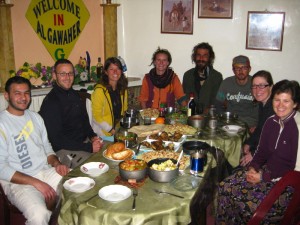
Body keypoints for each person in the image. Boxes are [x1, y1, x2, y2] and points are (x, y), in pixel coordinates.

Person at [217, 80, 300, 225]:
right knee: (224, 186)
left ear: (295, 104)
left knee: (244, 203)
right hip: (266, 173)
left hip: (287, 186)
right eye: (277, 100)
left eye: (286, 101)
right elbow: (261, 152)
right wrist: (253, 167)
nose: (280, 105)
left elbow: (295, 173)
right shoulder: (271, 121)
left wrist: (263, 176)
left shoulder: (297, 127)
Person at [0, 76, 69, 225]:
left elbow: (47, 148)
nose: (23, 97)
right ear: (7, 96)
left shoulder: (36, 118)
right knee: (39, 215)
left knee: (76, 186)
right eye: (17, 93)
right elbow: (1, 168)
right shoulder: (2, 123)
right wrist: (36, 183)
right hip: (17, 182)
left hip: (44, 171)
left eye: (26, 93)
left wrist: (56, 163)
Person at [40, 59, 102, 168]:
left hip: (82, 143)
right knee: (94, 167)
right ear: (54, 76)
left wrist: (92, 137)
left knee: (109, 154)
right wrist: (89, 147)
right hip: (64, 150)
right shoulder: (51, 102)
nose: (67, 77)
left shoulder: (74, 94)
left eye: (70, 73)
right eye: (62, 74)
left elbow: (84, 121)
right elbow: (57, 140)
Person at [240, 70, 274, 166]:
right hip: (261, 149)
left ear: (271, 87)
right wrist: (249, 143)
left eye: (262, 86)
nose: (257, 90)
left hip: (271, 158)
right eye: (254, 86)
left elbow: (272, 140)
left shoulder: (274, 108)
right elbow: (260, 128)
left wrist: (253, 153)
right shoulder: (262, 104)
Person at [215, 55, 258, 129]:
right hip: (230, 123)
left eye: (244, 68)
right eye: (237, 68)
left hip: (250, 125)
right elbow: (218, 103)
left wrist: (257, 126)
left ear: (249, 69)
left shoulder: (256, 83)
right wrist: (222, 120)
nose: (241, 71)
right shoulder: (226, 83)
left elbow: (263, 107)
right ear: (233, 70)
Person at [91, 57, 128, 136]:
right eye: (111, 69)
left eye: (118, 68)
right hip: (103, 132)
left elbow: (124, 111)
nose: (115, 71)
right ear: (106, 72)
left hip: (118, 129)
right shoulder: (99, 91)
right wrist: (111, 129)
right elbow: (96, 117)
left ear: (121, 71)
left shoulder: (122, 89)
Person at [182, 42, 223, 113]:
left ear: (210, 58)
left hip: (209, 118)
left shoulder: (217, 77)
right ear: (194, 57)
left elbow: (217, 101)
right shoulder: (187, 75)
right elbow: (183, 97)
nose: (201, 58)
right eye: (198, 55)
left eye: (205, 56)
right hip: (189, 117)